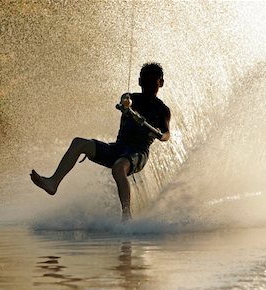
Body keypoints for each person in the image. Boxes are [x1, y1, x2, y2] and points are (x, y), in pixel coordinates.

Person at [30, 62, 171, 221]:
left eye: (153, 83)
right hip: (118, 147)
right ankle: (53, 182)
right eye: (146, 82)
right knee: (79, 143)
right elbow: (125, 101)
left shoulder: (162, 110)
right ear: (140, 82)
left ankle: (126, 215)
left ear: (161, 83)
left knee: (118, 167)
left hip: (138, 152)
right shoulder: (131, 99)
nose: (149, 87)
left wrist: (159, 133)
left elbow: (166, 134)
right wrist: (127, 107)